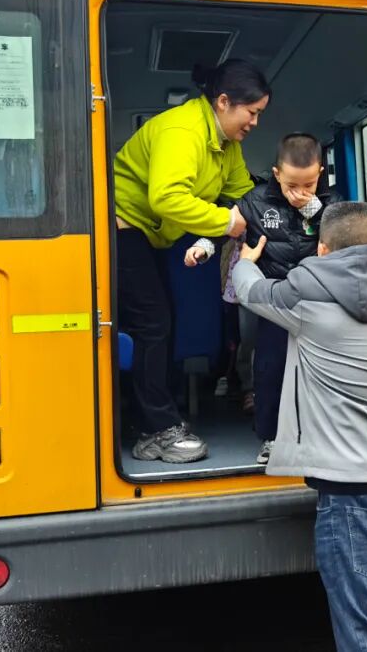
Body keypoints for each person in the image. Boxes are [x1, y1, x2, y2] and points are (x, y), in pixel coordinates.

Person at [232, 202, 367, 652]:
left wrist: (244, 262)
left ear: (322, 248)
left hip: (355, 496)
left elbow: (251, 292)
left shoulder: (307, 297)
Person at [112, 59, 269, 463]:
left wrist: (271, 217)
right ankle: (154, 431)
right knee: (152, 322)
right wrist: (226, 221)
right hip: (123, 226)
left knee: (165, 320)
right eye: (252, 113)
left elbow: (241, 193)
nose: (254, 122)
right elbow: (165, 198)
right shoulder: (183, 131)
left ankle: (155, 415)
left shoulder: (227, 146)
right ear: (223, 102)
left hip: (153, 233)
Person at [186, 133, 333, 463]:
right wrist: (203, 248)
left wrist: (313, 207)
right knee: (271, 370)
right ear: (277, 173)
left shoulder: (330, 202)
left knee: (319, 374)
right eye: (292, 184)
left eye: (309, 184)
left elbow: (344, 231)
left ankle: (317, 438)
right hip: (276, 302)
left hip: (319, 304)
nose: (300, 192)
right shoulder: (255, 201)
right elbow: (225, 227)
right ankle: (271, 439)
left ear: (320, 173)